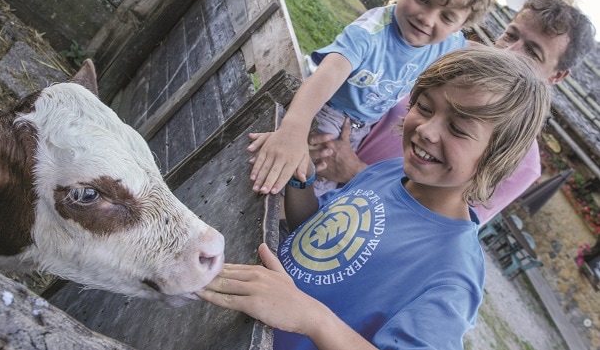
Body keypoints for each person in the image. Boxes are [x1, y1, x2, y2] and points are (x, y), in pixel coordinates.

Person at [198, 47, 551, 350]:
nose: (427, 130)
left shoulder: (452, 274)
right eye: (425, 107)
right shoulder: (388, 171)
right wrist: (300, 181)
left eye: (458, 129)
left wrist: (310, 317)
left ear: (496, 158)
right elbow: (320, 237)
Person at [309, 0, 596, 224]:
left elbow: (445, 226)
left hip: (353, 228)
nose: (509, 52)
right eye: (511, 35)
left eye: (532, 52)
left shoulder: (523, 161)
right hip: (312, 178)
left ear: (556, 76)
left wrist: (354, 172)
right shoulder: (445, 65)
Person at [247, 0, 498, 196]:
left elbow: (479, 55)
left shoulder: (449, 44)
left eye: (446, 17)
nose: (427, 18)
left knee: (315, 184)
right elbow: (329, 73)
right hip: (325, 112)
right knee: (295, 178)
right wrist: (293, 129)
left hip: (360, 127)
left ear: (461, 26)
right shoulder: (371, 33)